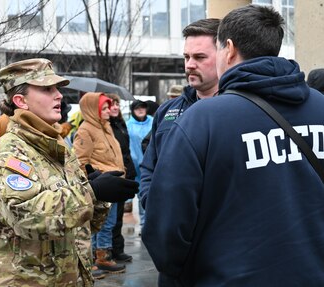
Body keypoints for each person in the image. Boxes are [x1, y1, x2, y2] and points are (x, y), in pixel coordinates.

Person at [142, 5, 324, 286]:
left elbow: (166, 230)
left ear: (228, 49)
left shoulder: (203, 120)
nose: (191, 63)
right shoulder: (320, 107)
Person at [0, 58, 138, 286]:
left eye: (57, 88)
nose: (59, 95)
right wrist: (90, 193)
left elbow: (80, 225)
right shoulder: (10, 153)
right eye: (46, 89)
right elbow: (25, 218)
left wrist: (97, 195)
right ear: (20, 101)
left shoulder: (57, 146)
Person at [139, 18, 220, 209]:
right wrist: (150, 201)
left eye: (200, 57)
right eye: (186, 57)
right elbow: (150, 166)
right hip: (172, 226)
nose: (190, 65)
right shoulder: (167, 111)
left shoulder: (239, 109)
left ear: (225, 55)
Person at [73, 92, 127, 274]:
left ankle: (103, 255)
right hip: (102, 185)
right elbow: (81, 160)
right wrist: (97, 177)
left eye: (107, 107)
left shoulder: (106, 127)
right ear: (92, 111)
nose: (108, 111)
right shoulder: (86, 130)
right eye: (103, 108)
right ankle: (96, 258)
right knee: (99, 224)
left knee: (109, 223)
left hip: (114, 183)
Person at [106, 93, 136, 263]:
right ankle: (107, 251)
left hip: (124, 174)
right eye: (111, 104)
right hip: (111, 176)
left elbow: (125, 152)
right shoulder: (105, 127)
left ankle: (117, 249)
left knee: (117, 217)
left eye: (117, 104)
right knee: (109, 220)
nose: (115, 107)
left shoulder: (119, 125)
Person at [126, 100, 153, 228]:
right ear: (133, 110)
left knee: (152, 193)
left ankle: (150, 222)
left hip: (152, 164)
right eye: (137, 108)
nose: (140, 110)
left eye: (143, 107)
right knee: (141, 193)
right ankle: (143, 222)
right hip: (135, 165)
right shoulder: (128, 125)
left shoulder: (153, 121)